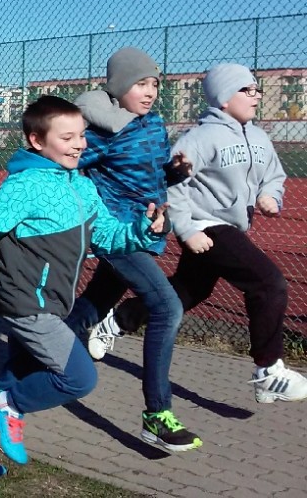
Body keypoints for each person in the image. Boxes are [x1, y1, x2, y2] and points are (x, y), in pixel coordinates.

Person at [0, 96, 169, 477]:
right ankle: (8, 408)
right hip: (27, 303)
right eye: (67, 137)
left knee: (16, 376)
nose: (79, 145)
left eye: (81, 135)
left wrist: (145, 230)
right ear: (37, 140)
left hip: (55, 303)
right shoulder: (24, 186)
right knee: (79, 377)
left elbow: (108, 236)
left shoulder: (83, 187)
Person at [94, 63, 307, 404]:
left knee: (189, 291)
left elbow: (274, 175)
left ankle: (119, 319)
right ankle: (268, 370)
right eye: (247, 90)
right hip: (205, 224)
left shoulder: (259, 137)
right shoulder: (200, 138)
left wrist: (271, 195)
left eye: (257, 89)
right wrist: (187, 229)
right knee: (268, 282)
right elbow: (173, 185)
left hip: (231, 225)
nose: (256, 96)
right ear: (224, 98)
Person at [61, 47, 200, 452]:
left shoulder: (153, 124)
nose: (150, 91)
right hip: (117, 234)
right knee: (167, 308)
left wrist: (174, 173)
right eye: (140, 83)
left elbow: (149, 174)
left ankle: (42, 356)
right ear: (120, 87)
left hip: (146, 233)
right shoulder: (102, 133)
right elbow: (67, 163)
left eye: (154, 83)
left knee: (95, 304)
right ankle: (157, 416)